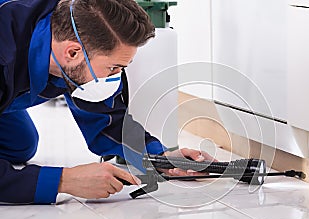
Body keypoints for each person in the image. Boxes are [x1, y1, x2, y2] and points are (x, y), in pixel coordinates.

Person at [0, 0, 213, 204]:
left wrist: (159, 156)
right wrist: (64, 180)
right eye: (112, 68)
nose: (116, 77)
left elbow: (106, 119)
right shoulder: (6, 54)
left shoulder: (75, 26)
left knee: (20, 144)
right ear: (72, 52)